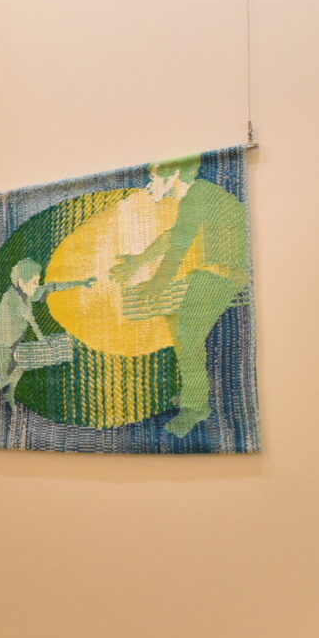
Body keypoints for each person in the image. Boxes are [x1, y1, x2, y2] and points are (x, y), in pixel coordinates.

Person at [109, 156, 249, 436]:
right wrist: (136, 263)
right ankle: (192, 389)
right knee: (177, 325)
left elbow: (177, 248)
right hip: (213, 272)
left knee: (188, 335)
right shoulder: (199, 196)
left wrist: (156, 286)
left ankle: (196, 408)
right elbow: (173, 237)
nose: (150, 185)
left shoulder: (199, 194)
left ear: (173, 175)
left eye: (153, 178)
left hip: (223, 274)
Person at [0, 257, 92, 425]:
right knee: (8, 374)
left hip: (14, 344)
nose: (37, 286)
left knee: (19, 369)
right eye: (34, 282)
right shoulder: (11, 297)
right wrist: (44, 343)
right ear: (21, 282)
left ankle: (10, 395)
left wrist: (81, 283)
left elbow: (51, 287)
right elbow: (31, 320)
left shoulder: (27, 293)